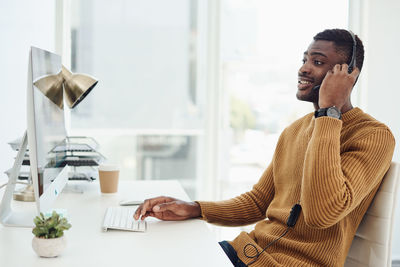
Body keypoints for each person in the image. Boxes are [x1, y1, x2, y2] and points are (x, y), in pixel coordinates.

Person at [134, 29, 395, 267]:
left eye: (317, 62)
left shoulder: (373, 136)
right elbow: (259, 201)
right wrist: (194, 208)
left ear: (348, 76)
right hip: (243, 253)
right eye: (304, 60)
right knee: (149, 254)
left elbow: (321, 214)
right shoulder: (295, 130)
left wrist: (329, 114)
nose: (303, 69)